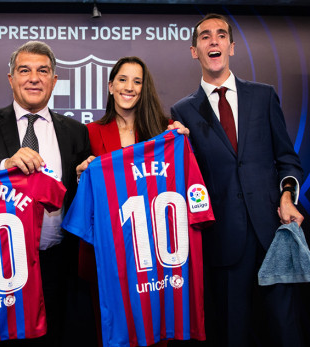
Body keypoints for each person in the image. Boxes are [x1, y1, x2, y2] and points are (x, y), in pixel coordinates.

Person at [170, 14, 304, 347]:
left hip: (272, 232)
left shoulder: (263, 95)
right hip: (223, 239)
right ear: (194, 51)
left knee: (285, 328)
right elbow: (188, 179)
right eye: (204, 36)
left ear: (231, 46)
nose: (213, 41)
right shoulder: (181, 112)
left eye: (220, 35)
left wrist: (287, 197)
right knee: (232, 331)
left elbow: (287, 159)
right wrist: (177, 147)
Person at [0, 40, 90, 346]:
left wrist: (84, 180)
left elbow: (82, 199)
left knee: (57, 335)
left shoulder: (76, 131)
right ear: (11, 78)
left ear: (54, 80)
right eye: (24, 70)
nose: (34, 78)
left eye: (43, 71)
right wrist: (5, 164)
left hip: (57, 261)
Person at [74, 56, 189, 347]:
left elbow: (181, 178)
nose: (129, 87)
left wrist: (182, 143)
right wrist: (81, 175)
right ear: (110, 86)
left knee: (156, 328)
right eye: (122, 80)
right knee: (112, 332)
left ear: (144, 88)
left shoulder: (164, 131)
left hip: (152, 252)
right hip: (107, 252)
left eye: (137, 81)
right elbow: (79, 196)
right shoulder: (88, 132)